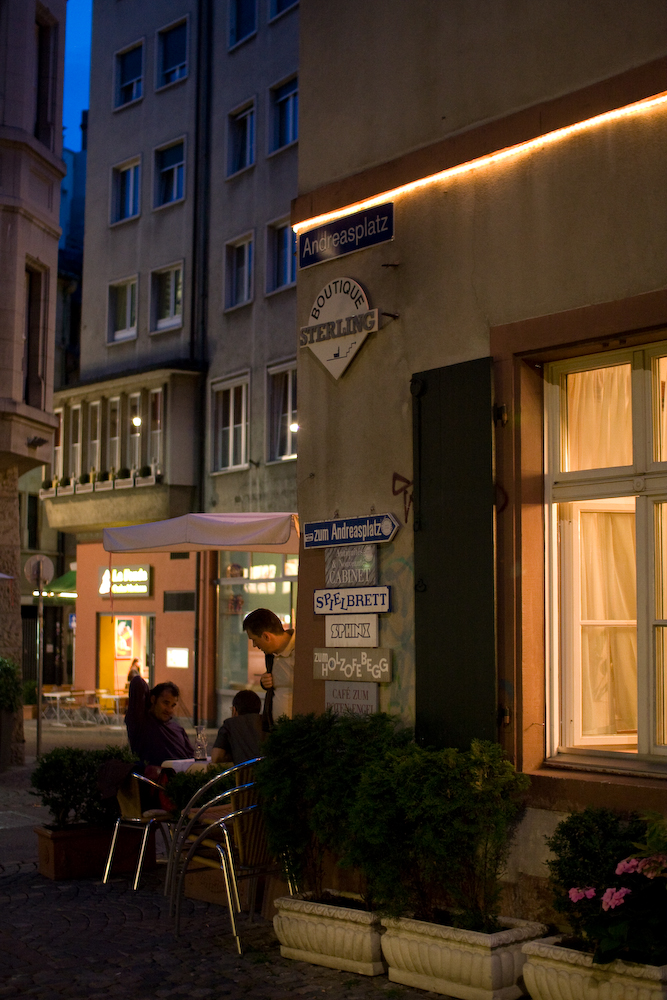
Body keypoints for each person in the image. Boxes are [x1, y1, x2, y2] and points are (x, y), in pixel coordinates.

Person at [125, 675, 194, 767]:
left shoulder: (178, 729)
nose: (169, 710)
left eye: (173, 705)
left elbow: (192, 757)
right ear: (153, 699)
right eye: (165, 703)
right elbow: (137, 682)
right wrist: (147, 700)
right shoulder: (141, 722)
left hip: (183, 776)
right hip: (154, 778)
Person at [242, 608, 295, 725]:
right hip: (275, 730)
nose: (254, 645)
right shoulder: (270, 655)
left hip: (297, 732)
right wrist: (264, 682)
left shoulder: (301, 650)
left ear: (266, 636)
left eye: (254, 640)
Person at [211, 689, 264, 765]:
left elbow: (216, 757)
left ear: (234, 710)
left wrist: (235, 756)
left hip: (241, 774)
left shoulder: (230, 724)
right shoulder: (267, 723)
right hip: (267, 773)